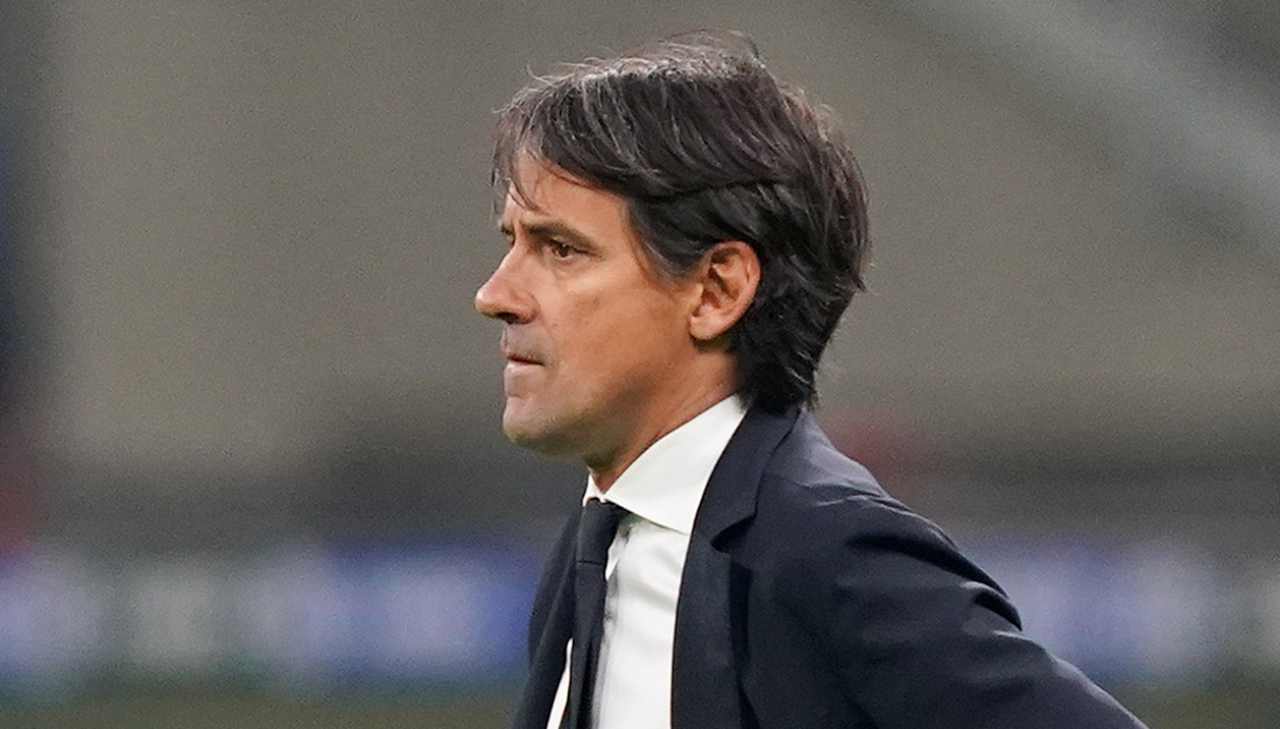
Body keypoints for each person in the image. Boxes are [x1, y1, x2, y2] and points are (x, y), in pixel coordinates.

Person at [474, 33, 1148, 729]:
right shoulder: (598, 545)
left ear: (716, 290)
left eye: (561, 249)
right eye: (512, 243)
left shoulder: (828, 553)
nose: (496, 294)